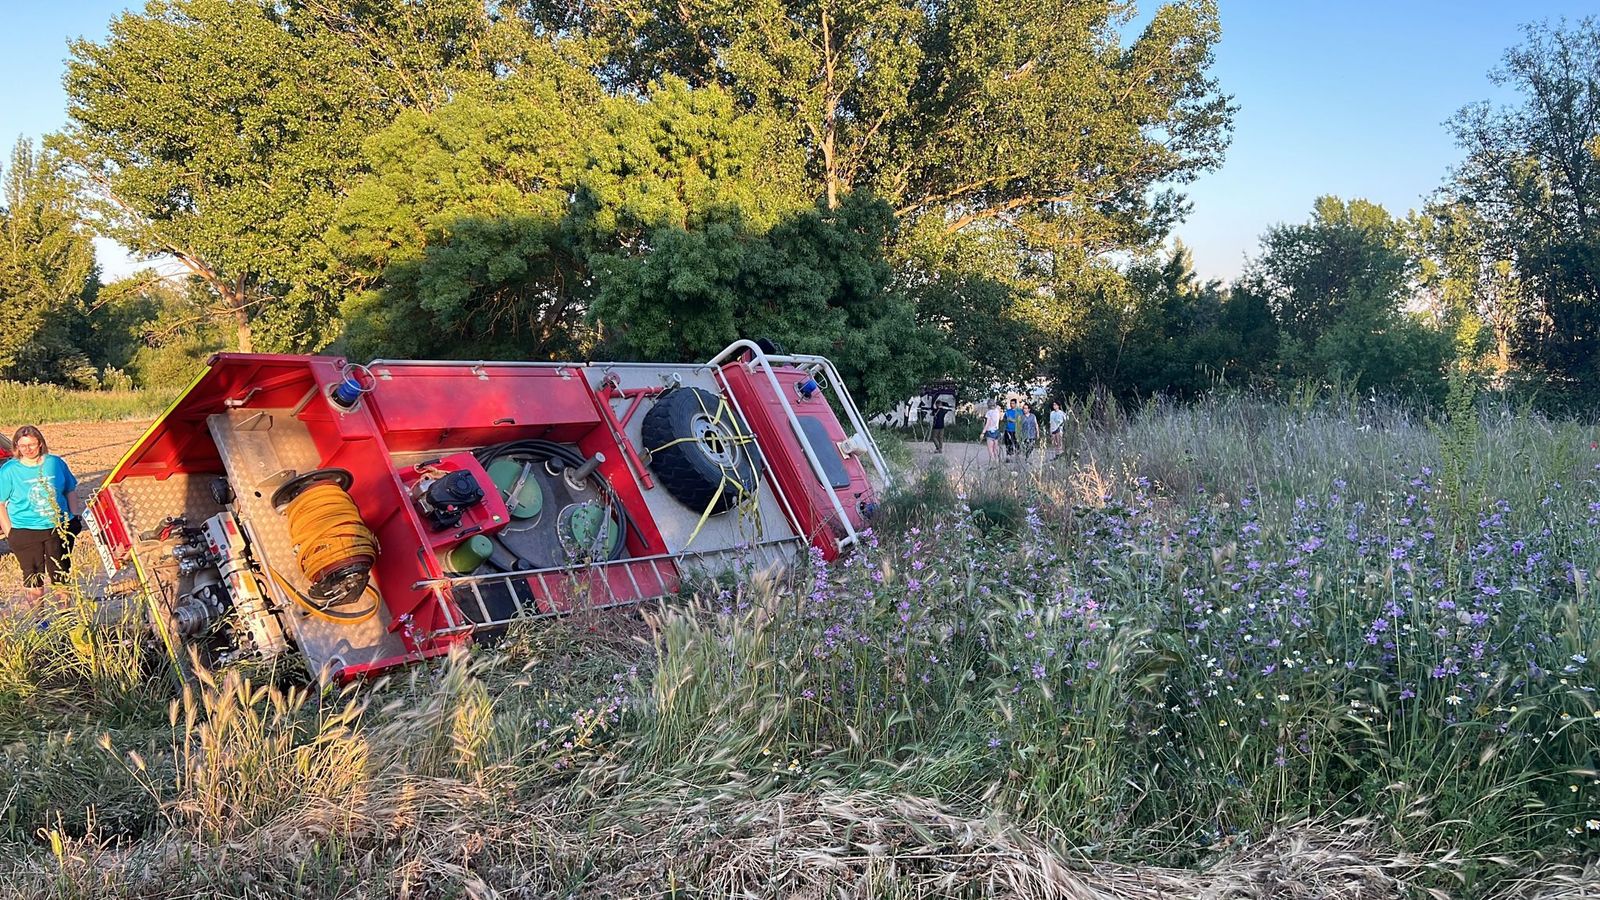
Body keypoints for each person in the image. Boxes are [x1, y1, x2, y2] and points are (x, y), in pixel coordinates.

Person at [0, 425, 82, 607]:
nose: (27, 450)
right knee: (33, 577)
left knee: (61, 575)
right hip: (25, 531)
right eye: (22, 446)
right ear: (16, 447)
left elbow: (70, 490)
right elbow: (1, 504)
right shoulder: (9, 471)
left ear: (41, 444)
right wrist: (10, 533)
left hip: (58, 529)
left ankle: (66, 619)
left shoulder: (55, 463)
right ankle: (41, 623)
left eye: (32, 445)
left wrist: (75, 516)